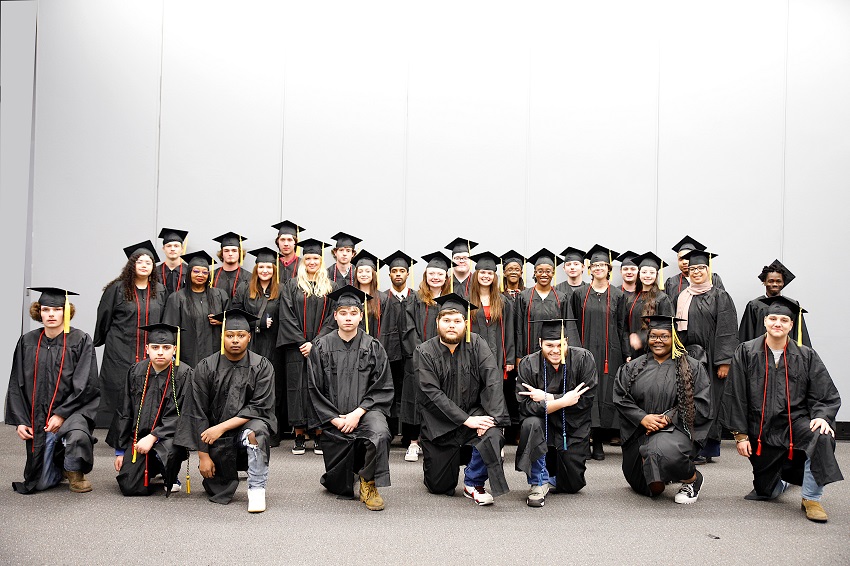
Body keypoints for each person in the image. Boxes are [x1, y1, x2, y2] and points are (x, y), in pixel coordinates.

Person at [721, 296, 842, 522]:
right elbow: (735, 395)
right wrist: (740, 435)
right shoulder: (745, 352)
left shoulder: (806, 355)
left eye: (784, 320)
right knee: (766, 492)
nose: (778, 323)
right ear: (765, 321)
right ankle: (782, 482)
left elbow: (825, 393)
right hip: (760, 426)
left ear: (791, 325)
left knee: (822, 436)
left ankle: (811, 498)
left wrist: (823, 417)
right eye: (773, 318)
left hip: (795, 422)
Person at [175, 309, 276, 513]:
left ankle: (256, 490)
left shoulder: (262, 366)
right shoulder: (206, 367)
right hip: (214, 441)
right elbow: (197, 410)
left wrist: (221, 428)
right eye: (230, 335)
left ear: (249, 337)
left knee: (258, 431)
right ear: (222, 336)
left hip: (241, 430)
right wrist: (203, 456)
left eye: (240, 336)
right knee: (216, 488)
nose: (235, 340)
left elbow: (259, 407)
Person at [416, 294, 510, 505]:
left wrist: (492, 419)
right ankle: (444, 464)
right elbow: (432, 394)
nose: (452, 326)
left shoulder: (477, 344)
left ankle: (473, 482)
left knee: (493, 433)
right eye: (447, 321)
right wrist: (466, 420)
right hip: (440, 425)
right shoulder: (425, 351)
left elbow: (492, 380)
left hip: (473, 416)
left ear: (466, 323)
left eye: (457, 321)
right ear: (437, 322)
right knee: (439, 487)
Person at [306, 286, 394, 511]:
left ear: (361, 316)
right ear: (335, 315)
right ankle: (348, 474)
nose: (348, 318)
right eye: (343, 313)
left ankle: (369, 482)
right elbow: (314, 388)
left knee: (380, 433)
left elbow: (382, 386)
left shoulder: (373, 346)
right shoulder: (320, 346)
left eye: (353, 313)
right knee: (337, 485)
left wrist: (357, 414)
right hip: (333, 414)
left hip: (365, 411)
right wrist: (335, 419)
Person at [5, 288, 100, 494]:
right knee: (41, 482)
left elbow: (87, 384)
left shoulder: (80, 340)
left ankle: (74, 472)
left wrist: (62, 413)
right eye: (46, 309)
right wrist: (21, 420)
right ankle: (59, 465)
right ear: (38, 312)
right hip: (39, 415)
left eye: (57, 309)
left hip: (74, 411)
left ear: (66, 312)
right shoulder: (27, 341)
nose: (51, 314)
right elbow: (16, 383)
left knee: (76, 434)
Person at [614, 316, 711, 504]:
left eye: (664, 336)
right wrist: (643, 418)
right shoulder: (633, 367)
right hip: (640, 430)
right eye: (654, 336)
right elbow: (621, 397)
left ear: (674, 338)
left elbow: (701, 402)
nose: (658, 341)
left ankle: (692, 478)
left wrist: (667, 418)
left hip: (676, 430)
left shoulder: (691, 366)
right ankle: (665, 467)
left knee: (659, 452)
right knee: (649, 487)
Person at [515, 319, 597, 507]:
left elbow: (584, 400)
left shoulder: (584, 359)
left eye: (560, 344)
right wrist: (563, 401)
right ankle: (538, 481)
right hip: (541, 429)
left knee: (572, 485)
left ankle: (551, 474)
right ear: (540, 342)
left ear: (567, 341)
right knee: (531, 423)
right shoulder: (528, 364)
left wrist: (548, 397)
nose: (555, 350)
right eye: (549, 345)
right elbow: (525, 406)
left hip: (572, 428)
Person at [107, 323, 190, 496]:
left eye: (166, 347)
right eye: (155, 347)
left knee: (170, 450)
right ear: (147, 349)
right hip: (138, 439)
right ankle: (153, 467)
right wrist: (121, 451)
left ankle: (170, 473)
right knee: (130, 487)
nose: (160, 352)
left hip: (167, 438)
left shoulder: (184, 374)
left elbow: (183, 415)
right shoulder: (136, 371)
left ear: (174, 349)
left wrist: (153, 436)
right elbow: (125, 410)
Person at [674, 249, 738, 463]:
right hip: (689, 355)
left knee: (711, 400)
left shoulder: (720, 296)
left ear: (708, 270)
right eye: (692, 269)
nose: (696, 272)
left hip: (712, 357)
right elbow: (678, 330)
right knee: (691, 399)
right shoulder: (683, 296)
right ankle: (691, 443)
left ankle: (708, 448)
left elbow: (727, 329)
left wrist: (724, 361)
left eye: (701, 268)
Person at [94, 241, 166, 427]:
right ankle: (118, 429)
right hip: (120, 346)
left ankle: (145, 426)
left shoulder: (160, 290)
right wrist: (102, 339)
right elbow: (104, 316)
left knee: (148, 386)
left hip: (149, 347)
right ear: (132, 265)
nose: (144, 265)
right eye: (140, 262)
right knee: (120, 385)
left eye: (148, 262)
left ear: (153, 267)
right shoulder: (116, 289)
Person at [278, 238, 337, 455]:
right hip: (296, 347)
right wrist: (302, 342)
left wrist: (316, 343)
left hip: (321, 347)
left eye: (316, 258)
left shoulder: (331, 287)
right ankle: (300, 434)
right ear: (303, 261)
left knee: (320, 386)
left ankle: (319, 433)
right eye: (309, 258)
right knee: (297, 388)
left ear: (321, 261)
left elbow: (333, 317)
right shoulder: (292, 285)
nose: (312, 262)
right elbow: (286, 316)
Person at [570, 244, 629, 460]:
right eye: (594, 265)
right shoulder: (579, 294)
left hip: (609, 353)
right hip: (585, 352)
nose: (598, 268)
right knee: (585, 393)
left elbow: (623, 326)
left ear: (609, 267)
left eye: (602, 265)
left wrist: (626, 352)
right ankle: (585, 439)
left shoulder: (618, 296)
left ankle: (599, 442)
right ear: (589, 269)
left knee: (605, 394)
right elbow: (573, 323)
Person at [399, 251, 452, 462]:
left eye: (440, 274)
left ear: (446, 277)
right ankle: (413, 443)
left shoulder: (451, 301)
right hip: (417, 359)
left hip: (445, 359)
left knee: (440, 398)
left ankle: (436, 439)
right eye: (432, 273)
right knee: (414, 398)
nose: (436, 277)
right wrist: (423, 353)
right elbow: (408, 330)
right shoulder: (414, 299)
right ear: (425, 276)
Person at [232, 246, 285, 445]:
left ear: (274, 269)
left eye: (269, 267)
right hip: (251, 344)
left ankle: (272, 432)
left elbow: (287, 317)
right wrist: (256, 324)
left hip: (274, 345)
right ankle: (246, 430)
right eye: (261, 266)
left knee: (273, 388)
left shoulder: (281, 289)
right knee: (248, 387)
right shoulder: (245, 288)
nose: (265, 270)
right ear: (256, 268)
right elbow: (235, 316)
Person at [468, 251, 517, 440]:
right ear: (476, 274)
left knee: (495, 394)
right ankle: (474, 436)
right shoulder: (468, 301)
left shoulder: (504, 302)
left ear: (495, 276)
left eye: (490, 273)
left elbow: (510, 332)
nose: (486, 276)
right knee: (474, 393)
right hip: (473, 355)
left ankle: (496, 437)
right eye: (482, 272)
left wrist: (509, 358)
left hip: (496, 355)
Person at [163, 251, 230, 367]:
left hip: (215, 356)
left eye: (205, 272)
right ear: (189, 273)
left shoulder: (219, 295)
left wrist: (222, 322)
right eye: (196, 271)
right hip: (187, 357)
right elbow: (170, 330)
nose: (200, 275)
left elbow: (234, 323)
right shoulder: (177, 298)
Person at [515, 248, 581, 364]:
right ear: (535, 273)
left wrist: (570, 354)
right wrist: (519, 355)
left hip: (555, 354)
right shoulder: (523, 297)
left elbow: (569, 327)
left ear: (553, 273)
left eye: (548, 271)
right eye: (540, 271)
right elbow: (518, 329)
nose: (544, 274)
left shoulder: (561, 298)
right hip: (528, 352)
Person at [382, 250, 416, 441]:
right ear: (389, 275)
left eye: (401, 271)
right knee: (391, 390)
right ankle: (392, 429)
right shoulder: (383, 298)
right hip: (390, 352)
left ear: (407, 274)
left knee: (409, 391)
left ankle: (409, 433)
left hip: (411, 354)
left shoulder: (415, 298)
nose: (398, 274)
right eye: (394, 271)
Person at [738, 260, 811, 347]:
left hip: (787, 354)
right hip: (760, 354)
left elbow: (800, 336)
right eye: (771, 281)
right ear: (764, 282)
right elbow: (747, 334)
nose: (775, 284)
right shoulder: (754, 306)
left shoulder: (793, 305)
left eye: (778, 281)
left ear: (783, 283)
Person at [624, 252, 674, 360]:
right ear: (639, 274)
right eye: (644, 272)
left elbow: (667, 327)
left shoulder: (662, 299)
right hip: (633, 354)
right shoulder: (632, 299)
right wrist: (627, 352)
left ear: (656, 275)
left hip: (655, 353)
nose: (647, 275)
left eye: (651, 272)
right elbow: (625, 327)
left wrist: (641, 339)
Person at [664, 235, 725, 302]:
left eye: (687, 258)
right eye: (680, 259)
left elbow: (723, 304)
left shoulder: (713, 278)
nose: (684, 262)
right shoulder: (671, 283)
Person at [211, 231, 251, 299]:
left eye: (234, 251)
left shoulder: (249, 277)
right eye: (226, 251)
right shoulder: (211, 276)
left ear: (240, 253)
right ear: (222, 254)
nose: (230, 254)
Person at [157, 228, 189, 299]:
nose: (172, 249)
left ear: (182, 249)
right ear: (163, 249)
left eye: (176, 246)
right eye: (169, 246)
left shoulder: (189, 271)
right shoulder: (155, 272)